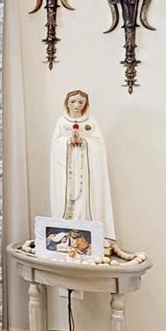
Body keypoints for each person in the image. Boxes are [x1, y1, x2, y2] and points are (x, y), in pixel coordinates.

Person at [48, 89, 117, 238]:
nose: (76, 105)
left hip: (85, 170)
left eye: (81, 102)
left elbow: (99, 145)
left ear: (86, 104)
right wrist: (68, 141)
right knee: (67, 197)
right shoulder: (61, 122)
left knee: (84, 199)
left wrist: (84, 142)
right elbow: (55, 144)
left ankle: (86, 235)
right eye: (73, 101)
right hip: (68, 169)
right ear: (67, 103)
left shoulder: (91, 122)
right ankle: (66, 234)